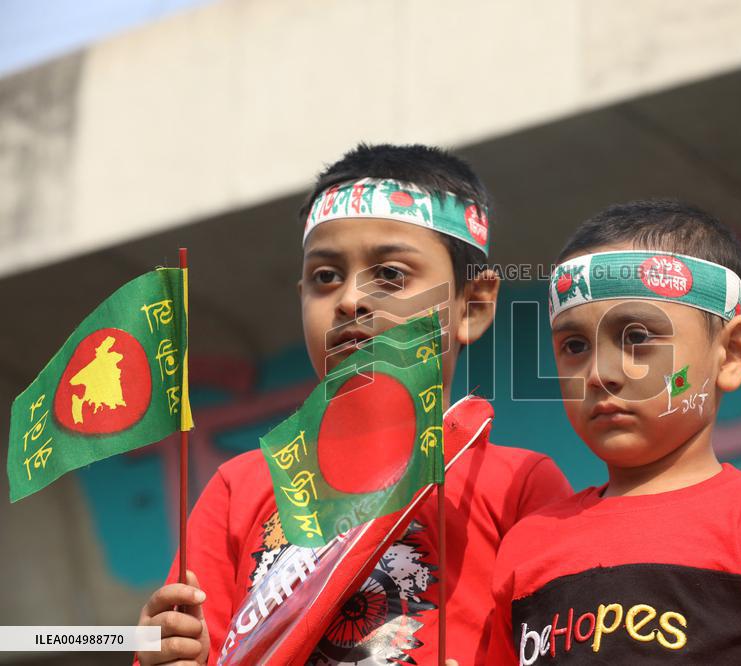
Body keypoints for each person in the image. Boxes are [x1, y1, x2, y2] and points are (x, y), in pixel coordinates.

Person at [136, 143, 573, 665]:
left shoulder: (517, 486)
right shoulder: (238, 489)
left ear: (472, 306)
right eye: (325, 277)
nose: (348, 300)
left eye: (390, 275)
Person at [486, 199, 741, 664]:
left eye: (637, 337)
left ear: (732, 354)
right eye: (574, 345)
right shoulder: (525, 543)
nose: (600, 373)